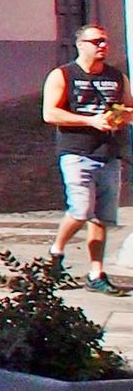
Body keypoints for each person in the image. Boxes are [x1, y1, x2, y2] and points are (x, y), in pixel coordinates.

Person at [45, 22, 132, 293]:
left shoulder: (117, 77)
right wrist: (91, 121)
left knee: (101, 218)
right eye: (96, 42)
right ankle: (56, 251)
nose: (103, 46)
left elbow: (129, 108)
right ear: (81, 45)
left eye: (105, 41)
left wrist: (119, 118)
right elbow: (50, 114)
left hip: (109, 153)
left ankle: (96, 273)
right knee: (81, 209)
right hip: (76, 151)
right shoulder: (63, 75)